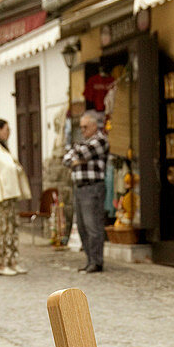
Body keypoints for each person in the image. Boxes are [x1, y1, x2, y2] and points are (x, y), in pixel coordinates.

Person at [0, 119, 29, 276]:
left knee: (12, 229)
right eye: (6, 129)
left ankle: (12, 260)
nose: (8, 132)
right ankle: (1, 263)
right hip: (2, 195)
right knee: (2, 229)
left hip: (11, 194)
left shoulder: (3, 148)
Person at [63, 111, 109, 273]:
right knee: (82, 226)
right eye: (81, 127)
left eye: (85, 127)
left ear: (94, 126)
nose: (82, 130)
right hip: (80, 188)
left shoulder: (100, 140)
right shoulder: (84, 142)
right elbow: (66, 159)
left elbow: (82, 152)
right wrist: (77, 157)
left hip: (93, 187)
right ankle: (90, 260)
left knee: (93, 226)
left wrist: (77, 156)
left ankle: (97, 262)